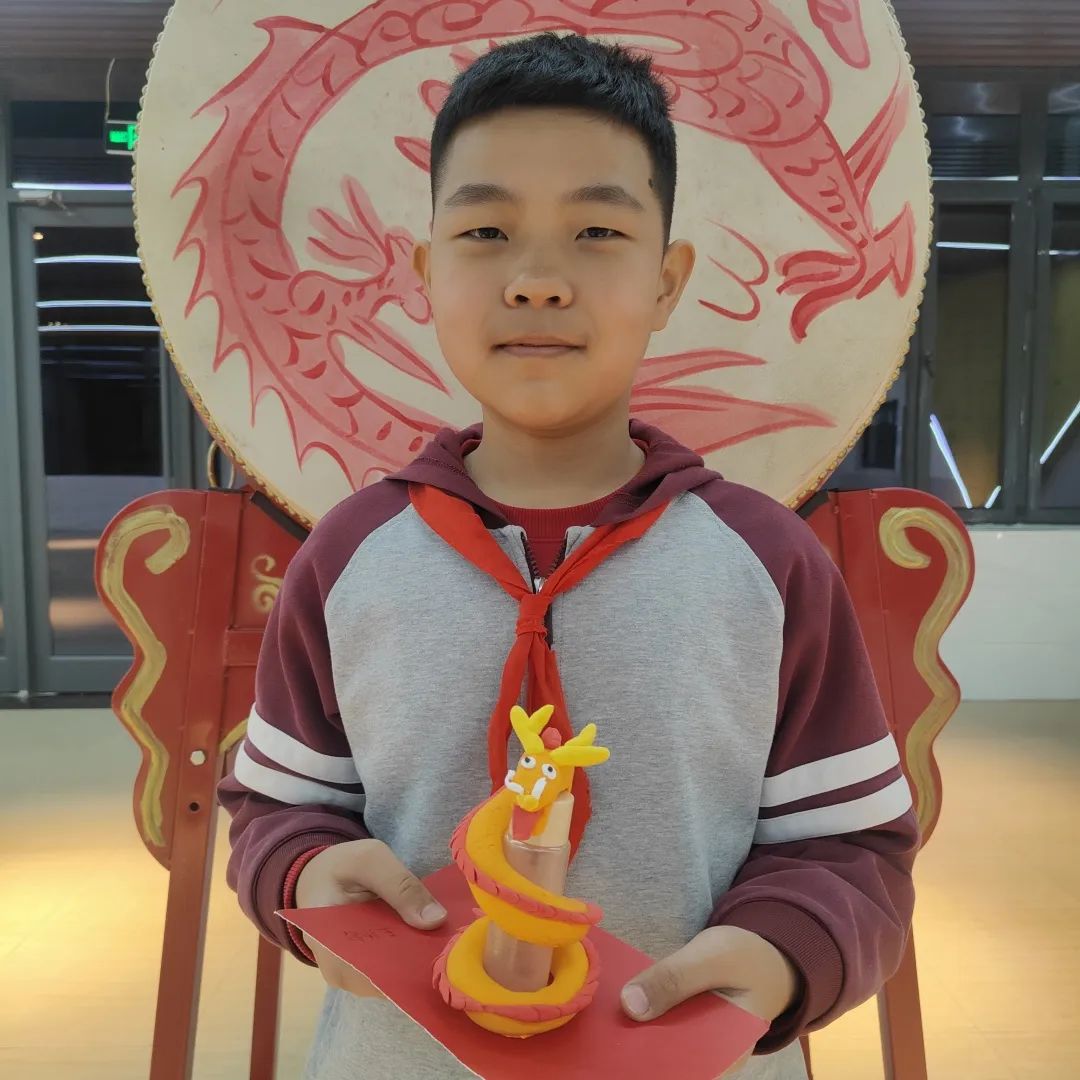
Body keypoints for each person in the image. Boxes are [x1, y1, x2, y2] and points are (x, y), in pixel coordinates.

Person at [219, 32, 918, 1080]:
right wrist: (303, 874)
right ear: (426, 274)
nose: (539, 280)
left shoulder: (767, 563)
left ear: (668, 281)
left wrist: (783, 953)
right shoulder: (348, 555)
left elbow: (854, 847)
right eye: (486, 231)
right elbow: (275, 807)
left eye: (597, 230)